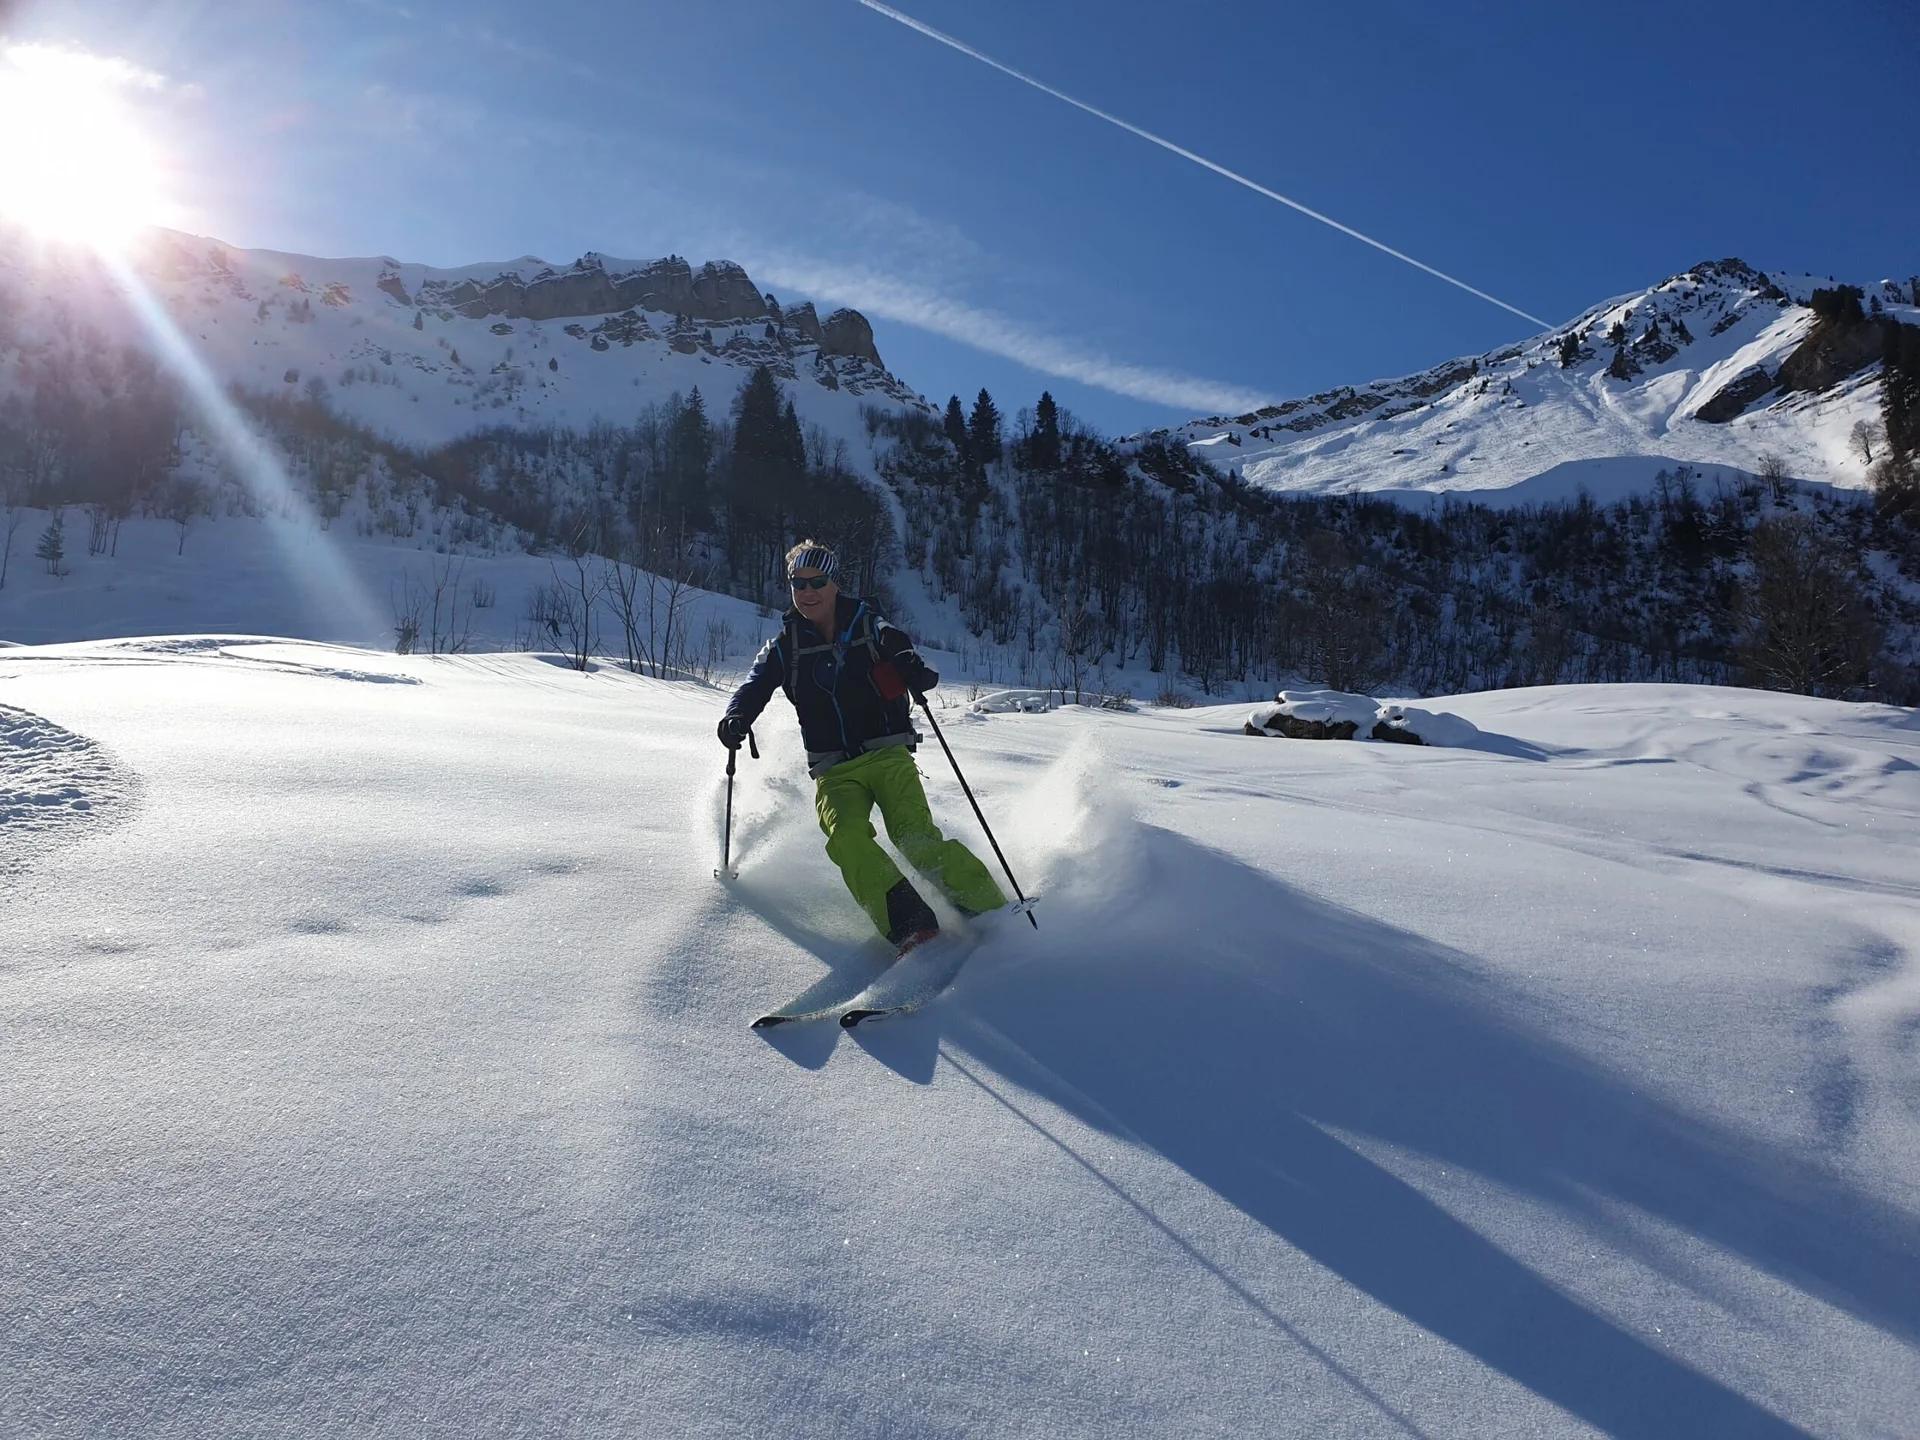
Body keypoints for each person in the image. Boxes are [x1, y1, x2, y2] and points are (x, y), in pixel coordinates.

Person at [718, 539, 1006, 952]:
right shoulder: (786, 646)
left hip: (887, 753)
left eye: (817, 581)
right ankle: (910, 926)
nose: (807, 592)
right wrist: (736, 716)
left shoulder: (869, 624)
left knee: (913, 835)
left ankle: (988, 909)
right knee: (846, 838)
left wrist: (910, 665)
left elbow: (899, 644)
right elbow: (754, 685)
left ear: (835, 584)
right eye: (798, 584)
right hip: (833, 770)